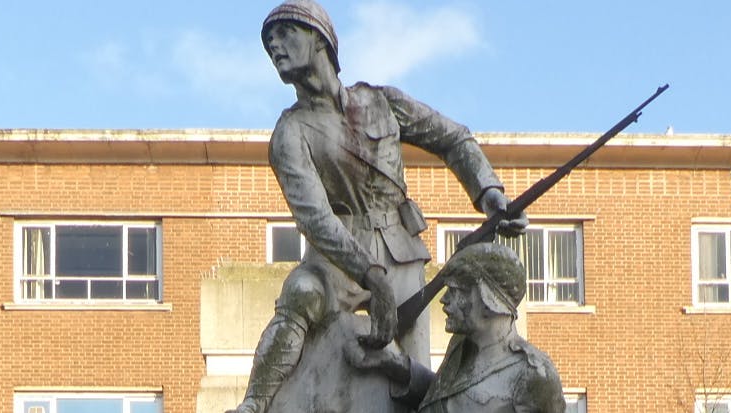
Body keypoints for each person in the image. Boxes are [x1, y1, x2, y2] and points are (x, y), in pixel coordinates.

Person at [230, 1, 527, 412]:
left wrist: (488, 193)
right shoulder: (290, 131)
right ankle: (254, 403)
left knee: (415, 369)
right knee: (300, 295)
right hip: (336, 259)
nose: (275, 47)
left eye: (285, 34)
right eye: (269, 42)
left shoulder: (381, 102)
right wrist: (370, 276)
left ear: (320, 39)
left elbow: (453, 138)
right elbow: (314, 216)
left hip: (401, 248)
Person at [347, 243, 566, 412]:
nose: (444, 300)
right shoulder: (460, 349)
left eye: (456, 290)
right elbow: (450, 398)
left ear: (487, 300)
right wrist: (398, 367)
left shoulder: (534, 375)